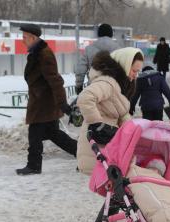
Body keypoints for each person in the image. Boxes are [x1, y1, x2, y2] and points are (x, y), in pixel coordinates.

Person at [16, 24, 77, 176]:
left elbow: (55, 80)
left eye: (24, 37)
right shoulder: (37, 53)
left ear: (33, 38)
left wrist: (63, 104)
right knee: (54, 134)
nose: (22, 40)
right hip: (42, 102)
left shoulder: (44, 54)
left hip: (43, 104)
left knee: (35, 135)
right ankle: (82, 153)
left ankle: (34, 166)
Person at [76, 47, 144, 175]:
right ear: (125, 64)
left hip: (106, 149)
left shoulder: (117, 86)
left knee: (115, 191)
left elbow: (122, 115)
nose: (136, 75)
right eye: (134, 70)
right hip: (96, 149)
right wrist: (97, 124)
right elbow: (85, 98)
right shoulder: (107, 82)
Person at [75, 23, 119, 95]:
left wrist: (79, 86)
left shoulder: (89, 49)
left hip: (93, 88)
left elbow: (80, 69)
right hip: (113, 90)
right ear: (111, 34)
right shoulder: (118, 49)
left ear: (98, 34)